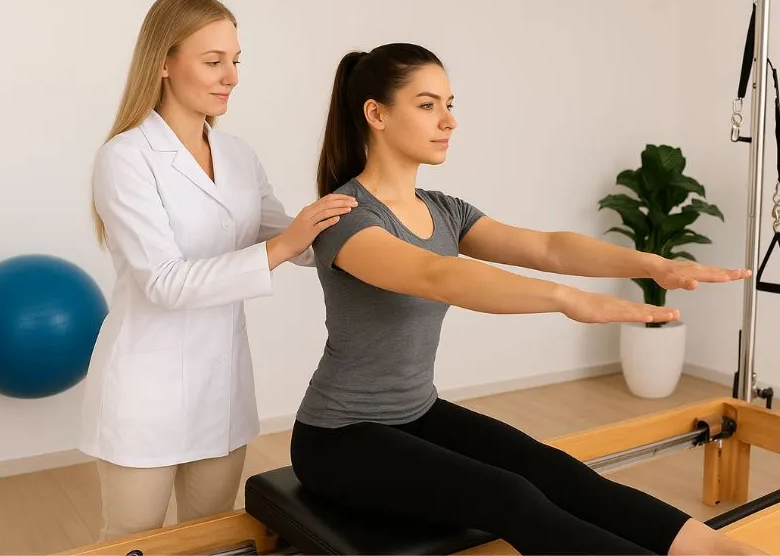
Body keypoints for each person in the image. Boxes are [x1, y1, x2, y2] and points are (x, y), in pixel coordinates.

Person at [289, 42, 764, 555]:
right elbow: (435, 275)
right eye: (427, 105)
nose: (448, 120)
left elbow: (547, 246)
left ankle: (726, 551)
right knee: (511, 497)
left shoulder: (443, 210)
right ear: (375, 113)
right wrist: (567, 300)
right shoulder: (345, 217)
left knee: (559, 473)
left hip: (417, 413)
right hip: (337, 439)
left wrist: (653, 264)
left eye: (451, 104)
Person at [79, 0, 357, 541]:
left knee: (212, 540)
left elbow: (298, 242)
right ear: (163, 62)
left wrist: (370, 220)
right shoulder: (125, 158)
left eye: (235, 60)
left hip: (221, 392)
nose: (231, 76)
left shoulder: (237, 156)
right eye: (213, 61)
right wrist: (284, 246)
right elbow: (164, 282)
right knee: (135, 543)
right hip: (144, 394)